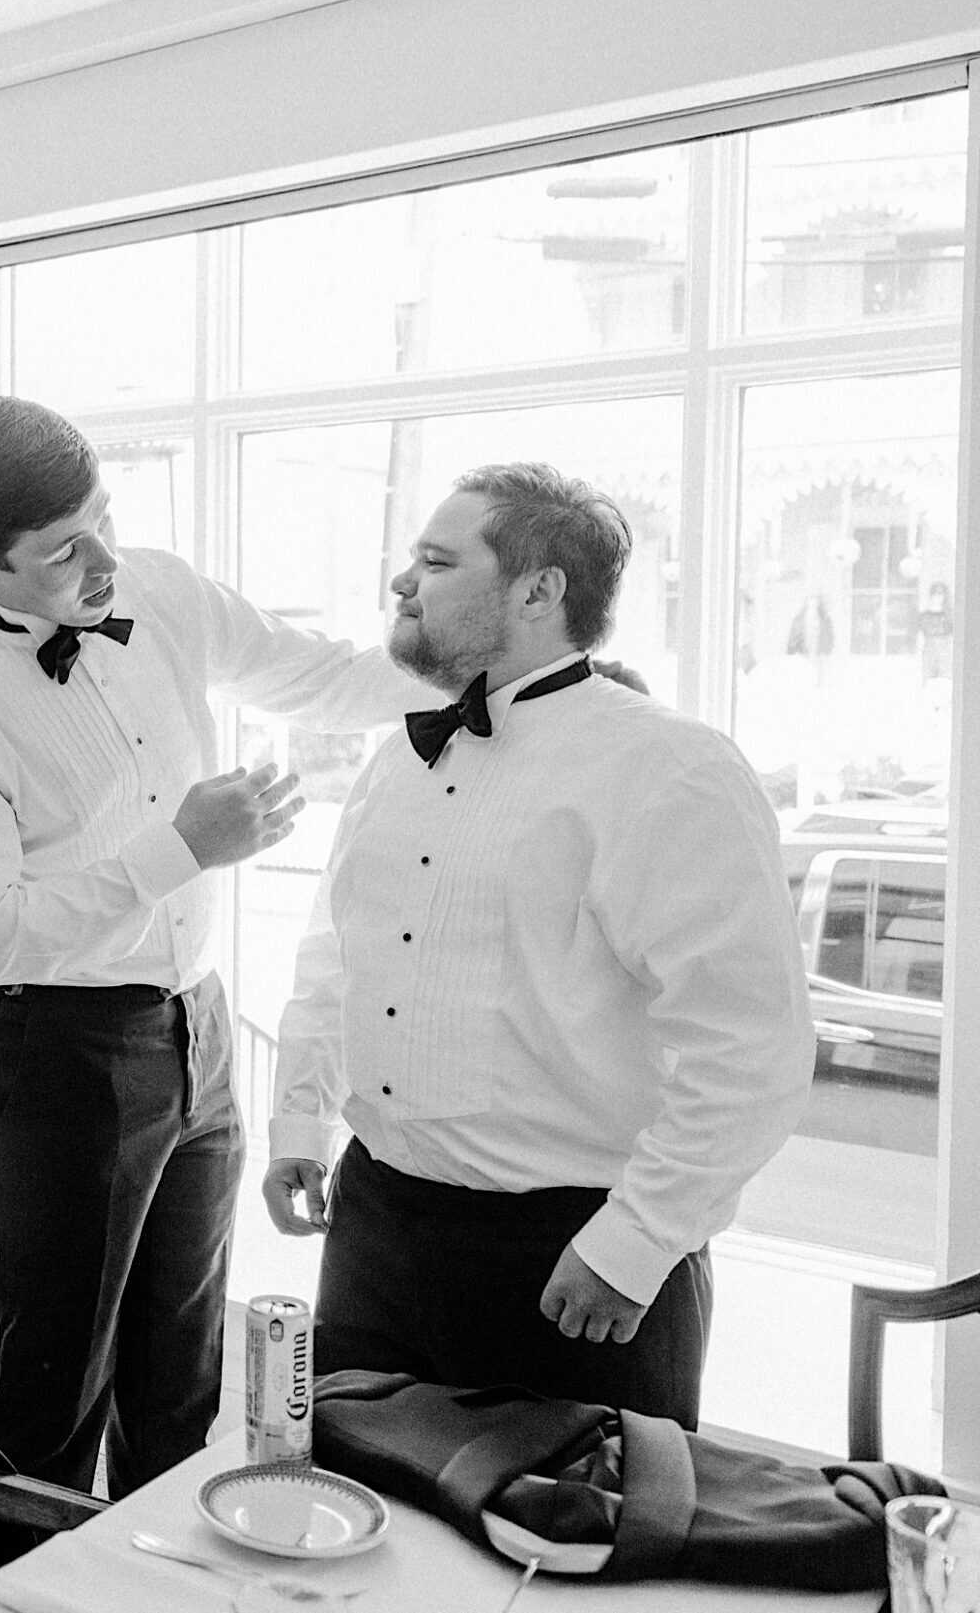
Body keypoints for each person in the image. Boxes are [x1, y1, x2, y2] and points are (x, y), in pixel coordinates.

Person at [0, 395, 425, 1496]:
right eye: (61, 550)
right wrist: (181, 846)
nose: (102, 560)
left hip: (199, 1019)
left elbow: (315, 674)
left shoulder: (159, 587)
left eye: (104, 519)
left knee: (182, 1368)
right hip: (51, 1043)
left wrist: (477, 669)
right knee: (55, 1376)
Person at [263, 462, 813, 1428]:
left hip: (569, 1251)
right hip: (373, 1230)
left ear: (538, 589)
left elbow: (751, 1047)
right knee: (362, 1533)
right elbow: (335, 957)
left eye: (436, 560)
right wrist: (299, 1124)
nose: (403, 583)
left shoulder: (669, 768)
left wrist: (637, 1241)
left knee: (559, 1563)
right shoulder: (397, 753)